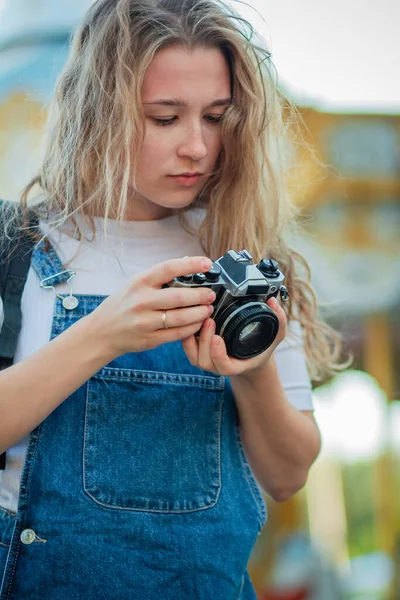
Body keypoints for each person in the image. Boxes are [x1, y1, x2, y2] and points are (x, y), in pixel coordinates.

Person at [0, 0, 348, 598]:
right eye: (164, 118)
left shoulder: (243, 256)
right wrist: (105, 333)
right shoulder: (13, 251)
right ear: (97, 115)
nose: (197, 147)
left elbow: (289, 475)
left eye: (217, 116)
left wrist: (254, 370)